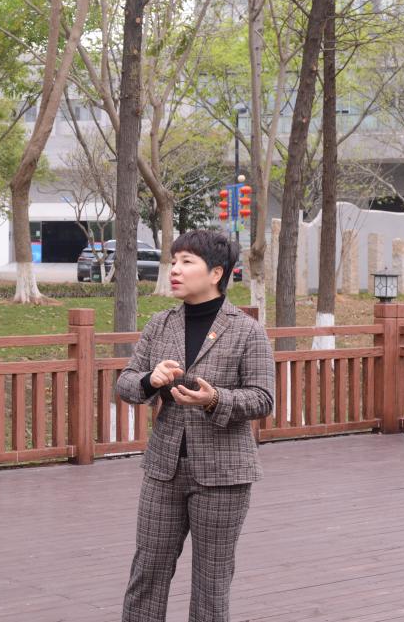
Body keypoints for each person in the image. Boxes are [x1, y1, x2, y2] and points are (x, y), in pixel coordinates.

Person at [115, 229, 274, 622]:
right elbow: (125, 382)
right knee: (146, 573)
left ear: (216, 273)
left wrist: (214, 399)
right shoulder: (160, 324)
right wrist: (149, 380)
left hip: (224, 475)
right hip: (163, 470)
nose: (175, 270)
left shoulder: (247, 330)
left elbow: (263, 398)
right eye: (174, 261)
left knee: (211, 584)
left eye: (187, 262)